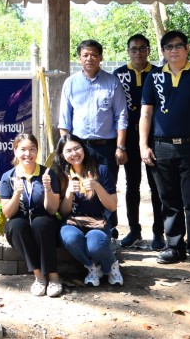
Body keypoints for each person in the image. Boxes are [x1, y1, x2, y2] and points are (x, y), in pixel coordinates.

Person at [139, 30, 190, 272]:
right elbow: (146, 113)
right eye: (168, 47)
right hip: (161, 147)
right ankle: (174, 246)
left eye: (178, 46)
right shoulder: (154, 76)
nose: (173, 50)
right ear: (162, 51)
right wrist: (143, 145)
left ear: (187, 48)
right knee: (169, 201)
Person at [58, 39, 128, 234]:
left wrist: (120, 147)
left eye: (94, 55)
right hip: (79, 148)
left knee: (106, 186)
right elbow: (64, 120)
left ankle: (109, 229)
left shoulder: (112, 82)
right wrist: (67, 149)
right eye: (85, 55)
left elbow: (121, 117)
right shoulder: (71, 83)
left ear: (100, 58)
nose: (89, 58)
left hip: (106, 146)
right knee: (79, 186)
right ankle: (80, 225)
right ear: (79, 58)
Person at [113, 34, 165, 251]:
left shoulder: (159, 73)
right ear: (128, 51)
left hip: (154, 137)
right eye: (134, 49)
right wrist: (120, 144)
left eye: (142, 48)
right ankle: (134, 230)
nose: (138, 52)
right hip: (128, 136)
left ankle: (159, 232)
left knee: (157, 186)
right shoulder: (119, 75)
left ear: (148, 51)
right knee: (131, 184)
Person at [53, 134, 123, 287]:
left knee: (95, 244)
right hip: (72, 222)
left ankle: (111, 266)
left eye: (77, 148)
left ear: (84, 149)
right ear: (62, 155)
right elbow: (63, 213)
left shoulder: (101, 170)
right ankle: (92, 267)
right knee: (70, 238)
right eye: (68, 151)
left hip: (97, 222)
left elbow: (112, 206)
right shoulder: (62, 176)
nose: (74, 153)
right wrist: (69, 192)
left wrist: (97, 186)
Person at [0, 133, 62, 297]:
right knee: (16, 225)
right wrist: (16, 193)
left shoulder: (47, 174)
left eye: (32, 149)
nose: (28, 154)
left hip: (44, 222)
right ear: (15, 151)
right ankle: (39, 277)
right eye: (23, 149)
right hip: (20, 224)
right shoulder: (8, 177)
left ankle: (53, 277)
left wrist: (48, 188)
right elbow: (8, 213)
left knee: (40, 223)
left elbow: (52, 210)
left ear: (37, 151)